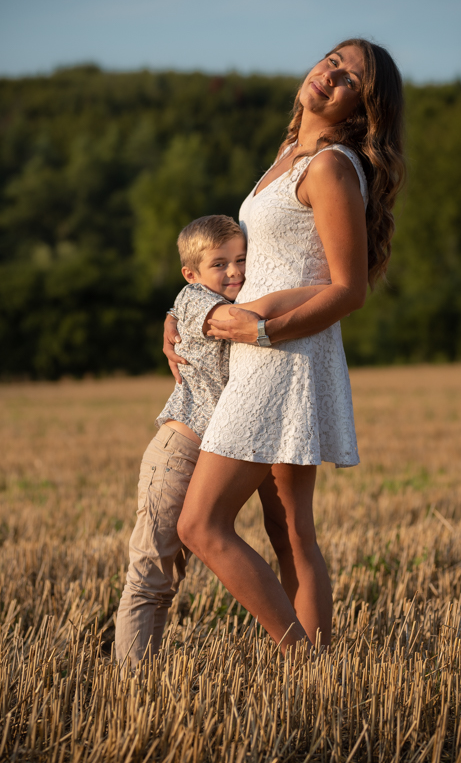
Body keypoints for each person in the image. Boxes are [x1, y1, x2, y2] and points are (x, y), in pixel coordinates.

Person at [165, 38, 405, 655]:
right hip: (257, 350)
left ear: (361, 107)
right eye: (332, 60)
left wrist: (263, 330)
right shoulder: (286, 156)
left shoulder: (328, 167)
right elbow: (252, 265)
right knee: (291, 530)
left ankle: (298, 657)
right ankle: (320, 669)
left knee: (200, 523)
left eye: (349, 77)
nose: (331, 75)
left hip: (284, 356)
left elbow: (347, 289)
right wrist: (187, 316)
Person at [116, 214, 327, 667]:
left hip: (224, 446)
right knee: (152, 572)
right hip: (178, 453)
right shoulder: (196, 303)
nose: (235, 272)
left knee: (173, 568)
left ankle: (310, 657)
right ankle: (132, 681)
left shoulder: (208, 296)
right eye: (220, 264)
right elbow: (246, 319)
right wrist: (328, 291)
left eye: (241, 260)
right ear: (191, 275)